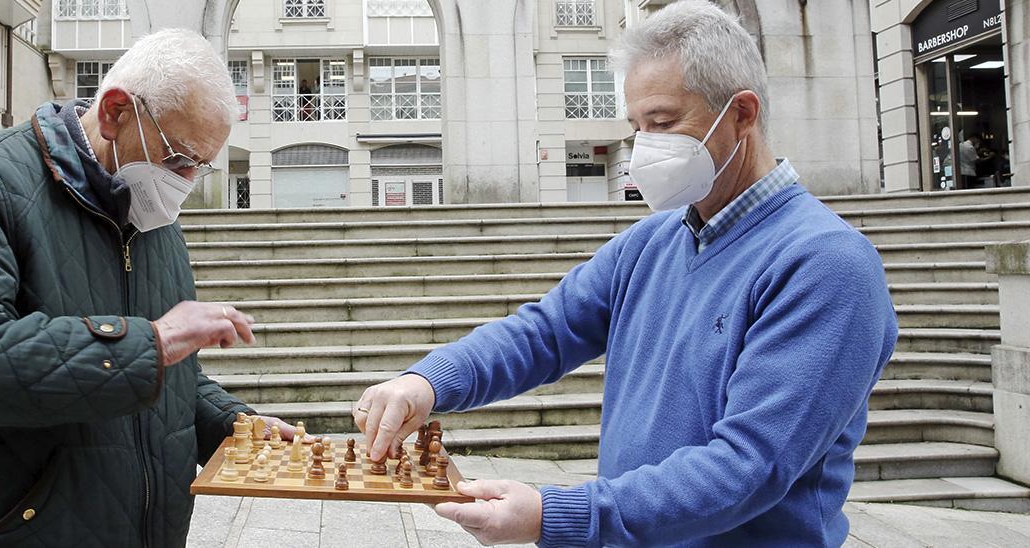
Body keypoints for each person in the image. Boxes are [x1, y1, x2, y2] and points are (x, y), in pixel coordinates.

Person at [353, 2, 897, 546]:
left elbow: (748, 466)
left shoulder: (825, 263)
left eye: (663, 123)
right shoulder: (652, 241)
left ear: (742, 114)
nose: (645, 148)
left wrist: (556, 513)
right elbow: (544, 332)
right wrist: (426, 382)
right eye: (636, 127)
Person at [0, 29, 300, 547]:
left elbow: (158, 373)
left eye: (201, 166)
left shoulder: (152, 217)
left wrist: (233, 426)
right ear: (115, 112)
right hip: (4, 529)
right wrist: (156, 340)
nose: (187, 181)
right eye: (178, 159)